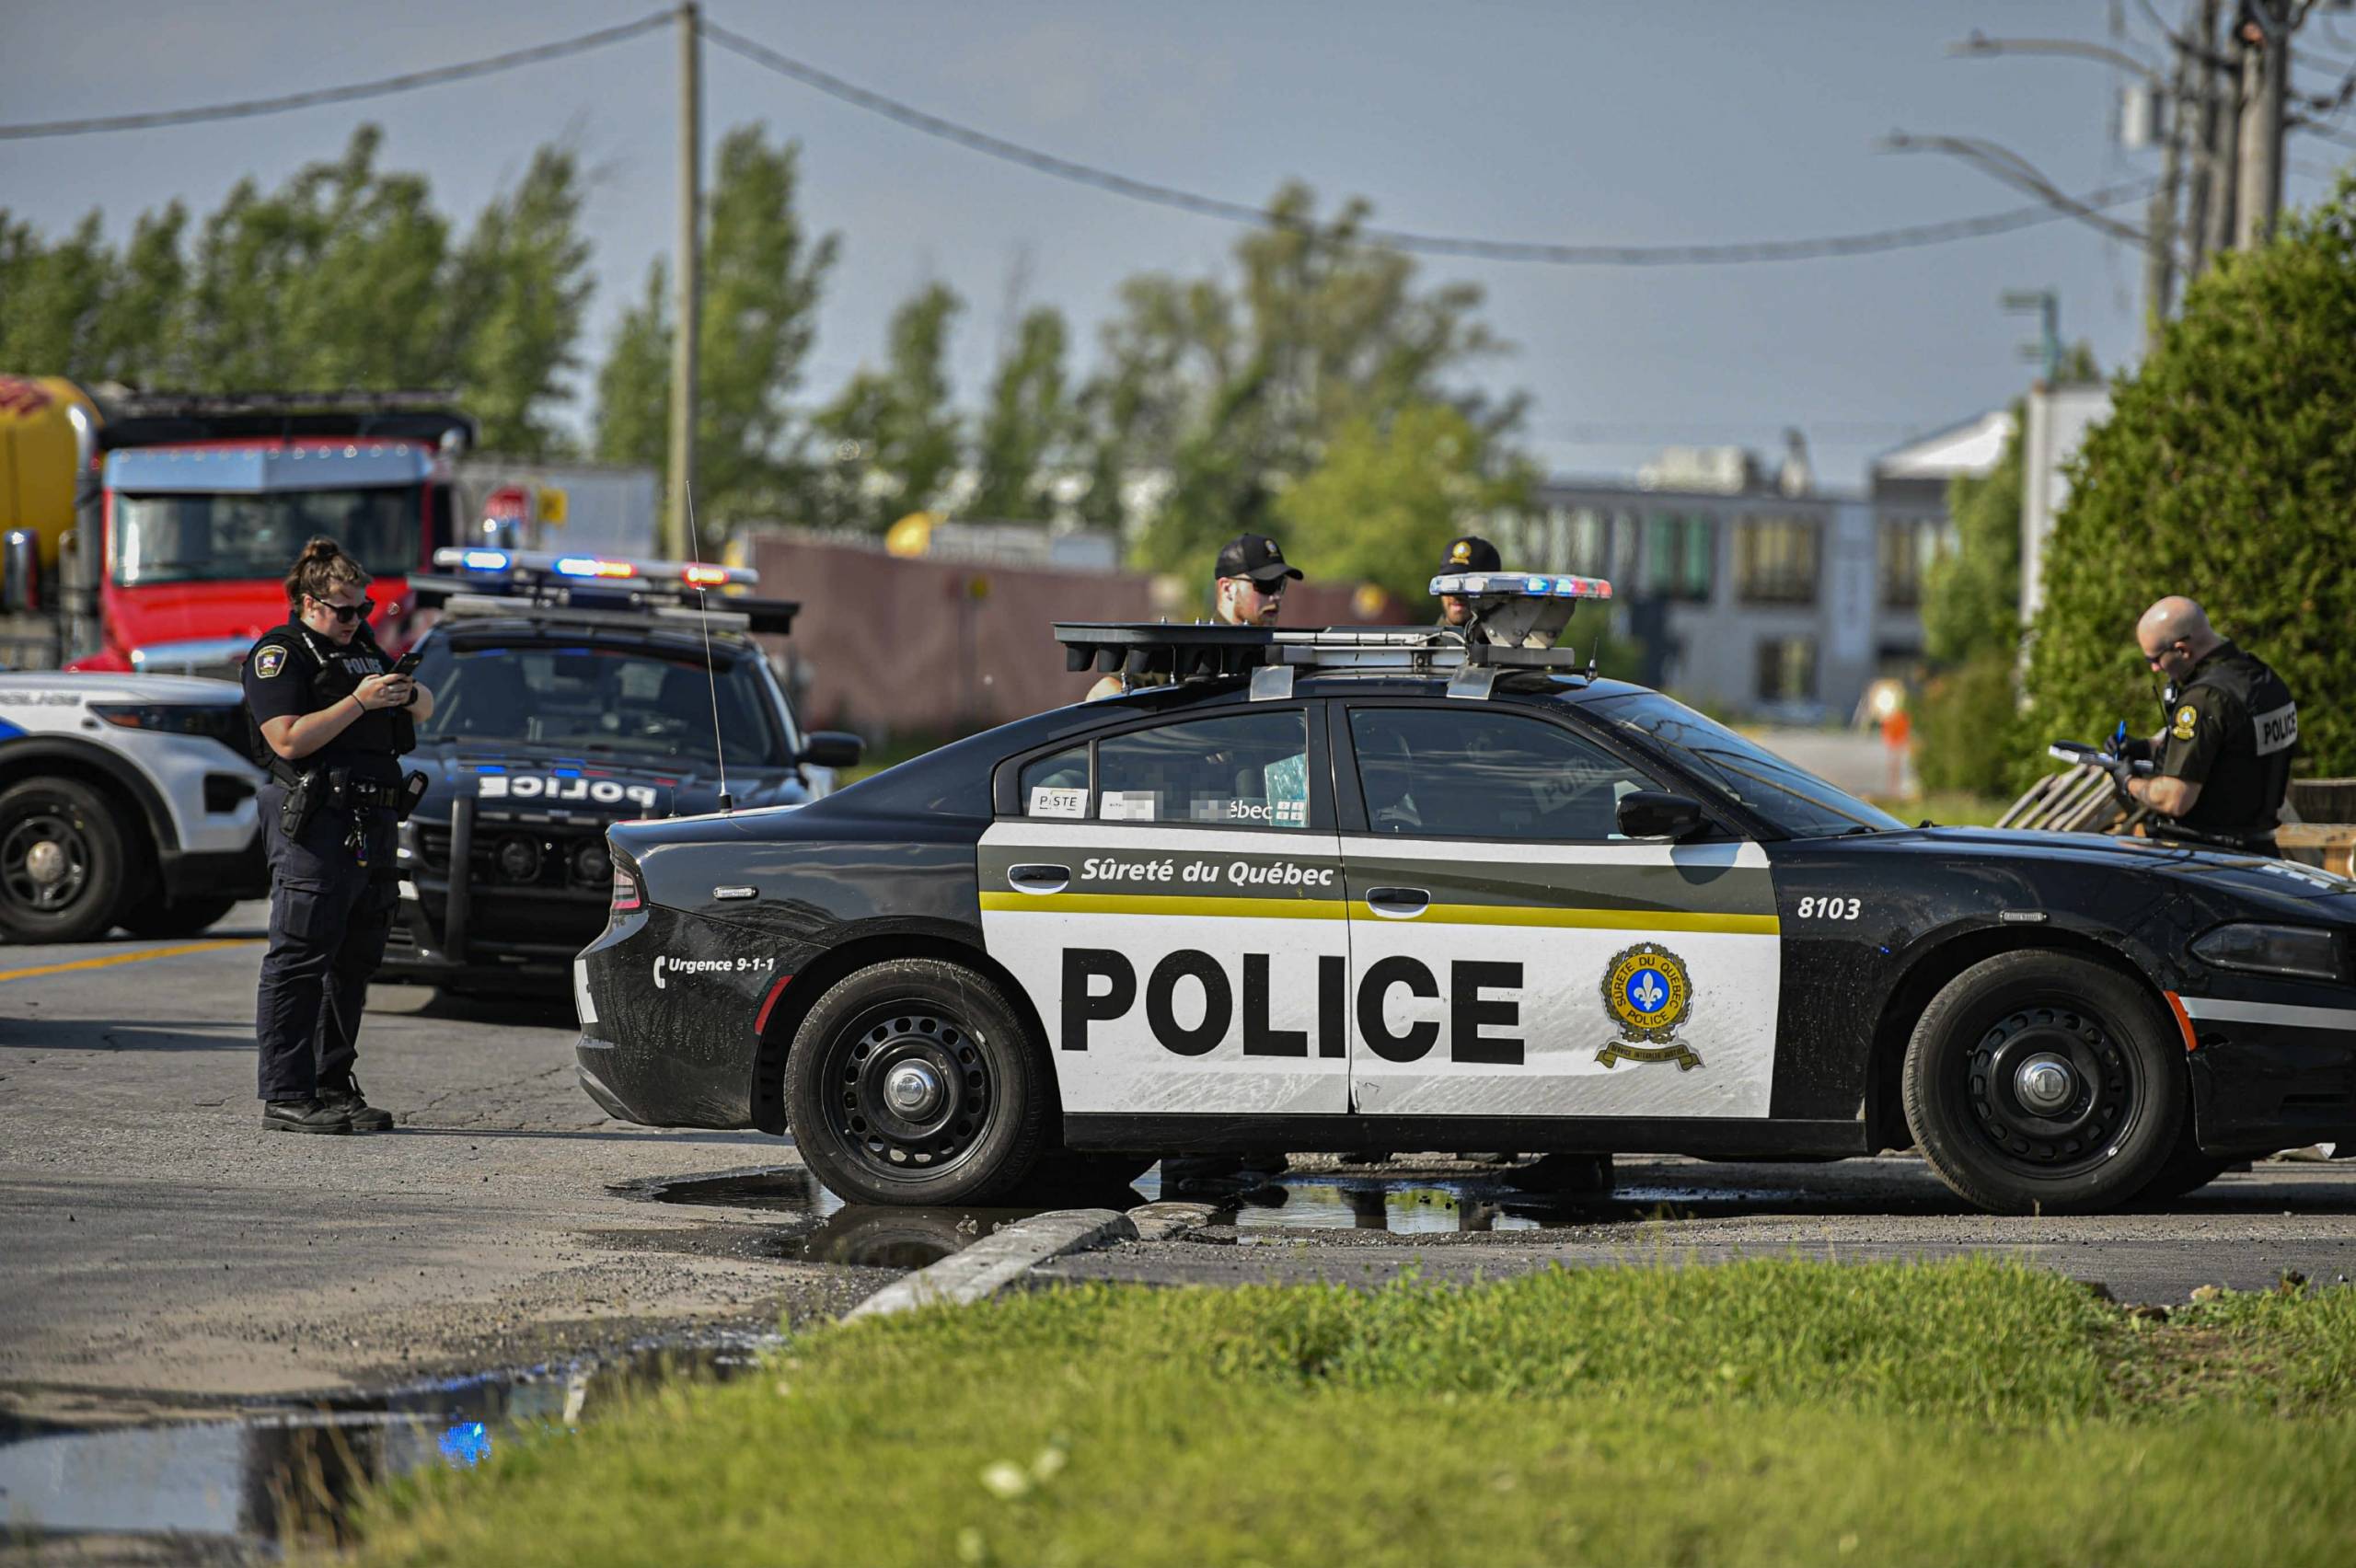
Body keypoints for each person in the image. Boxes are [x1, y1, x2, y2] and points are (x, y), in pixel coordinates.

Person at [241, 537, 433, 1133]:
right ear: (307, 602)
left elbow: (424, 711)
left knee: (353, 961)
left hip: (370, 823)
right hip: (316, 820)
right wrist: (357, 701)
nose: (356, 621)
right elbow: (288, 739)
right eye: (343, 610)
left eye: (363, 609)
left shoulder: (366, 651)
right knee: (301, 955)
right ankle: (287, 1093)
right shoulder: (281, 654)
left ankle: (331, 1082)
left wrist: (403, 693)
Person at [2121, 595, 2298, 855]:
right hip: (2260, 851)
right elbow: (2234, 752)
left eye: (2155, 659)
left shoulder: (2204, 699)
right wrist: (2150, 747)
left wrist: (2126, 780)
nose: (2156, 669)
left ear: (2182, 650)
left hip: (2208, 859)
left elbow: (2175, 799)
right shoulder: (2261, 677)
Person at [1088, 532, 1302, 700]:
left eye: (1281, 586)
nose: (1276, 596)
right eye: (1266, 584)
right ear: (1227, 588)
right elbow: (1102, 694)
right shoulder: (1187, 653)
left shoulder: (1281, 655)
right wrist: (1187, 744)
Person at [1435, 535, 1503, 628]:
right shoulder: (1420, 641)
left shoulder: (1515, 642)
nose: (1456, 594)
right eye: (1449, 584)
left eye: (1469, 585)